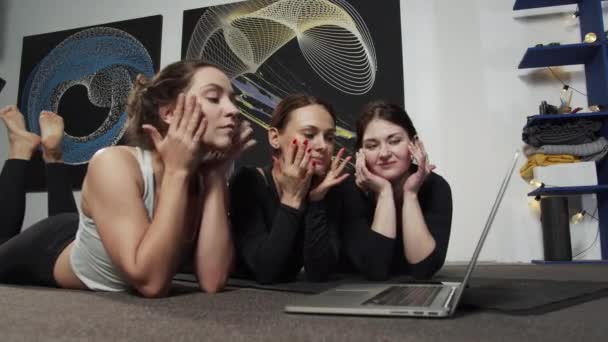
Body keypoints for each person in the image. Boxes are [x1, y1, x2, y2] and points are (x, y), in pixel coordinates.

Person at [0, 60, 254, 297]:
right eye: (213, 97)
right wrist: (176, 173)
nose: (233, 110)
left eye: (232, 100)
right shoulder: (114, 162)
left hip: (99, 227)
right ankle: (23, 149)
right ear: (169, 113)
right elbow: (150, 282)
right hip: (48, 247)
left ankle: (53, 155)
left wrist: (217, 176)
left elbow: (213, 280)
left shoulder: (204, 176)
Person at [229, 94, 351, 284]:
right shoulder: (249, 181)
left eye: (329, 137)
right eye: (309, 135)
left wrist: (317, 202)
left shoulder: (329, 189)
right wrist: (292, 200)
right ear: (275, 137)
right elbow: (266, 272)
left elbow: (320, 274)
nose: (322, 146)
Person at [340, 101, 452, 280]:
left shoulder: (436, 187)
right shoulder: (349, 190)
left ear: (414, 144)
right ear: (360, 153)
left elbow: (424, 270)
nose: (384, 153)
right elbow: (375, 268)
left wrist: (411, 194)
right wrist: (384, 192)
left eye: (394, 141)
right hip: (353, 296)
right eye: (372, 145)